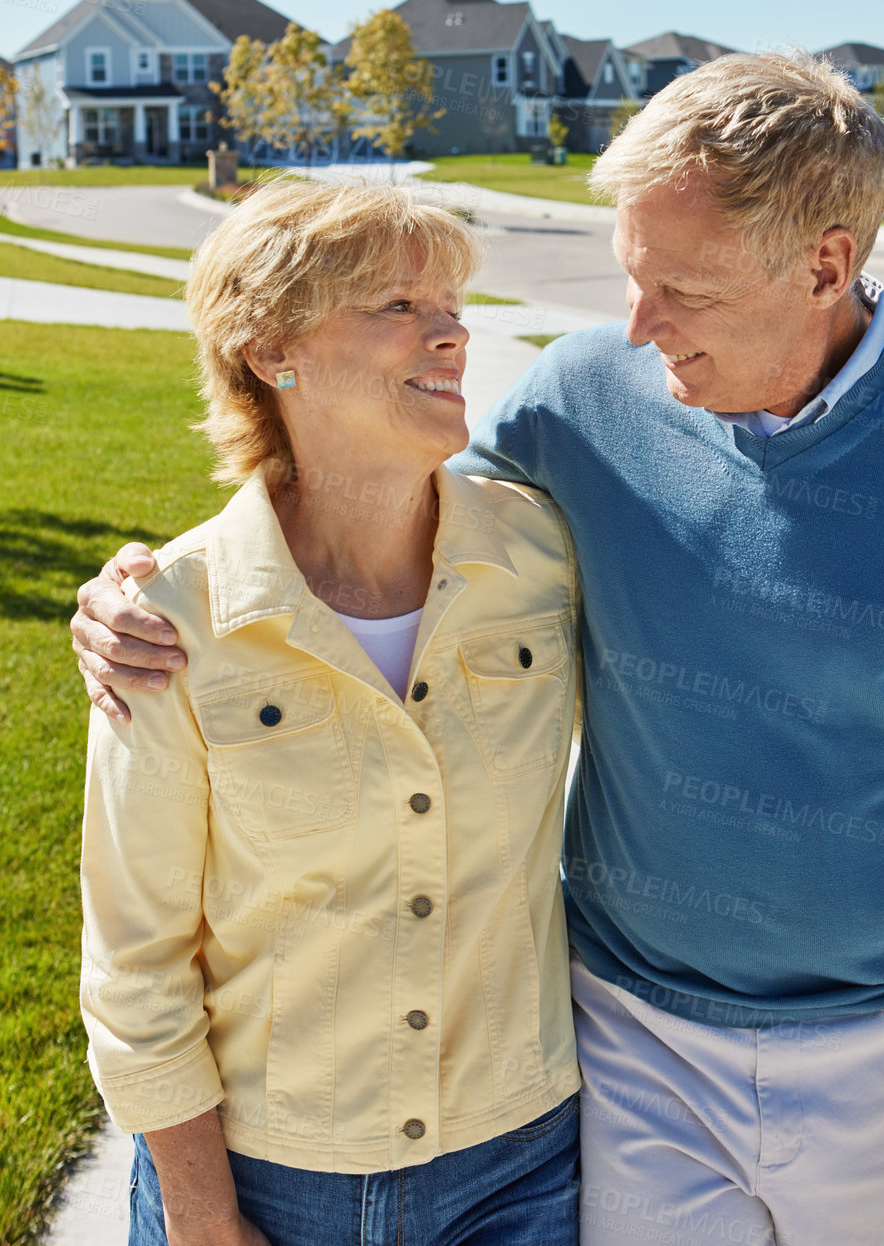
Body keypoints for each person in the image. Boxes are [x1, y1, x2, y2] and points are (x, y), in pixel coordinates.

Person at [74, 52, 884, 1244]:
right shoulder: (583, 401)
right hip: (630, 1034)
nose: (633, 326)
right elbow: (375, 517)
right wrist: (148, 591)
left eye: (677, 288)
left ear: (824, 264)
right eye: (629, 276)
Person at [78, 179, 582, 1246]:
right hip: (266, 1185)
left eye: (449, 302)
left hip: (520, 1165)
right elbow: (136, 963)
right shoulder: (172, 618)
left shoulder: (544, 553)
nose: (449, 331)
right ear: (269, 349)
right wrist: (206, 1223)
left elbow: (714, 651)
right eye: (397, 305)